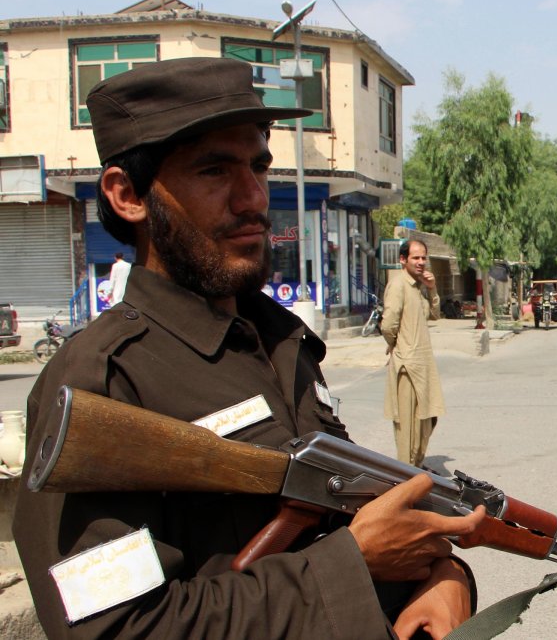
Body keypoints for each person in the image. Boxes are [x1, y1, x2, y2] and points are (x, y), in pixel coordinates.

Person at [14, 58, 483, 640]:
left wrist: (444, 575)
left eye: (259, 165)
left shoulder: (280, 341)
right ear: (127, 194)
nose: (253, 197)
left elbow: (355, 517)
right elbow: (115, 629)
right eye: (214, 170)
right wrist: (353, 564)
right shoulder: (101, 382)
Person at [381, 239, 444, 467]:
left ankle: (415, 469)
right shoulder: (398, 285)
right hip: (407, 367)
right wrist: (398, 347)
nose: (420, 262)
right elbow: (388, 324)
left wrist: (432, 288)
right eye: (415, 258)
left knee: (426, 422)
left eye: (423, 258)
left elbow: (435, 315)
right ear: (403, 259)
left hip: (423, 366)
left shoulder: (418, 287)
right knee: (407, 431)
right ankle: (405, 478)